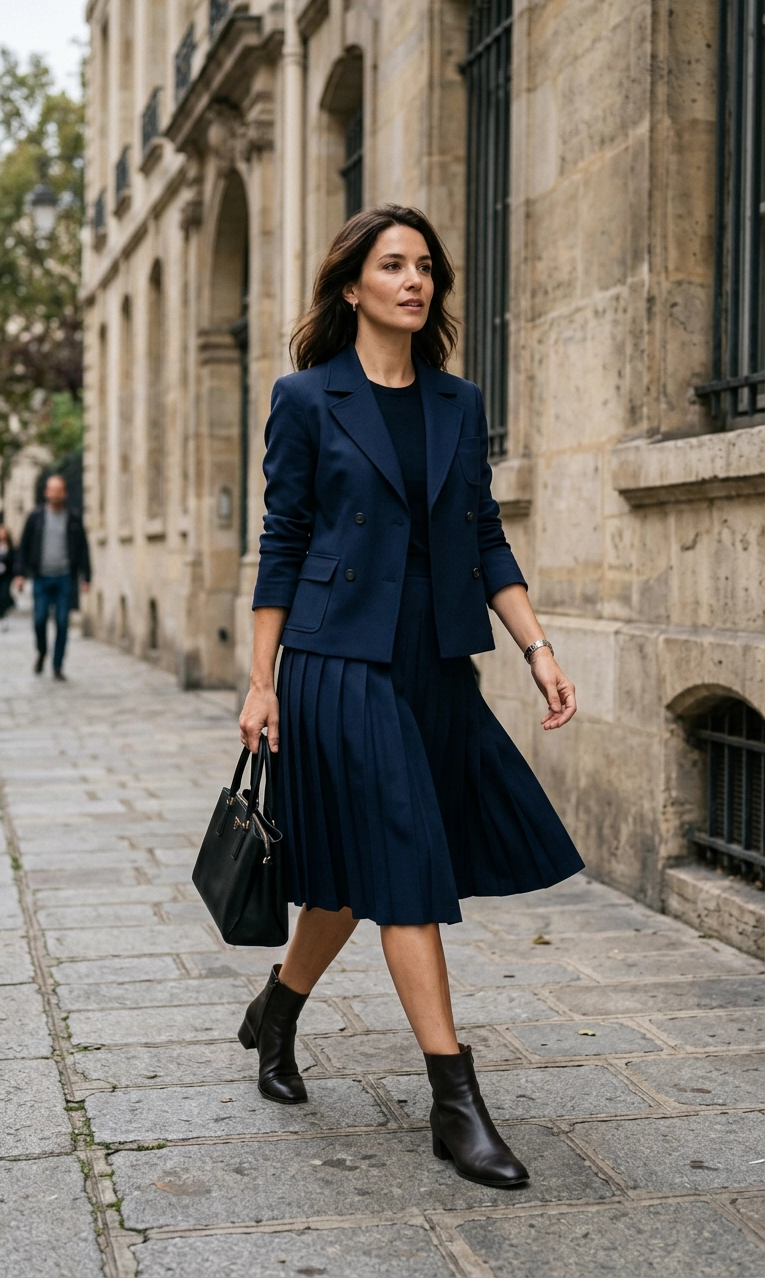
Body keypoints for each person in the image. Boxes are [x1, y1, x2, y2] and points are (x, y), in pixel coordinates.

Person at [238, 204, 583, 1189]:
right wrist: (262, 679)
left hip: (435, 663)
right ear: (352, 285)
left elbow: (483, 536)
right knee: (404, 864)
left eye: (425, 266)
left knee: (353, 878)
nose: (414, 280)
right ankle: (455, 1099)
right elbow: (286, 540)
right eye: (393, 265)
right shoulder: (307, 397)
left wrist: (537, 648)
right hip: (336, 662)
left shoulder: (456, 402)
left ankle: (276, 1007)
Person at [15, 474, 91, 680]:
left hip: (65, 577)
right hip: (41, 577)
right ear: (46, 492)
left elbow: (83, 548)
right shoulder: (36, 517)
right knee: (39, 620)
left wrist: (87, 577)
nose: (55, 494)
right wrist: (20, 574)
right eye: (51, 489)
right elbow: (24, 546)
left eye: (59, 490)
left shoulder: (73, 517)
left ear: (64, 493)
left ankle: (57, 665)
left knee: (62, 623)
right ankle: (42, 651)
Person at [0, 524, 15, 626]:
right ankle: (1, 613)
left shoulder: (10, 546)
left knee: (4, 594)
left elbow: (13, 560)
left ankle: (4, 613)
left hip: (6, 576)